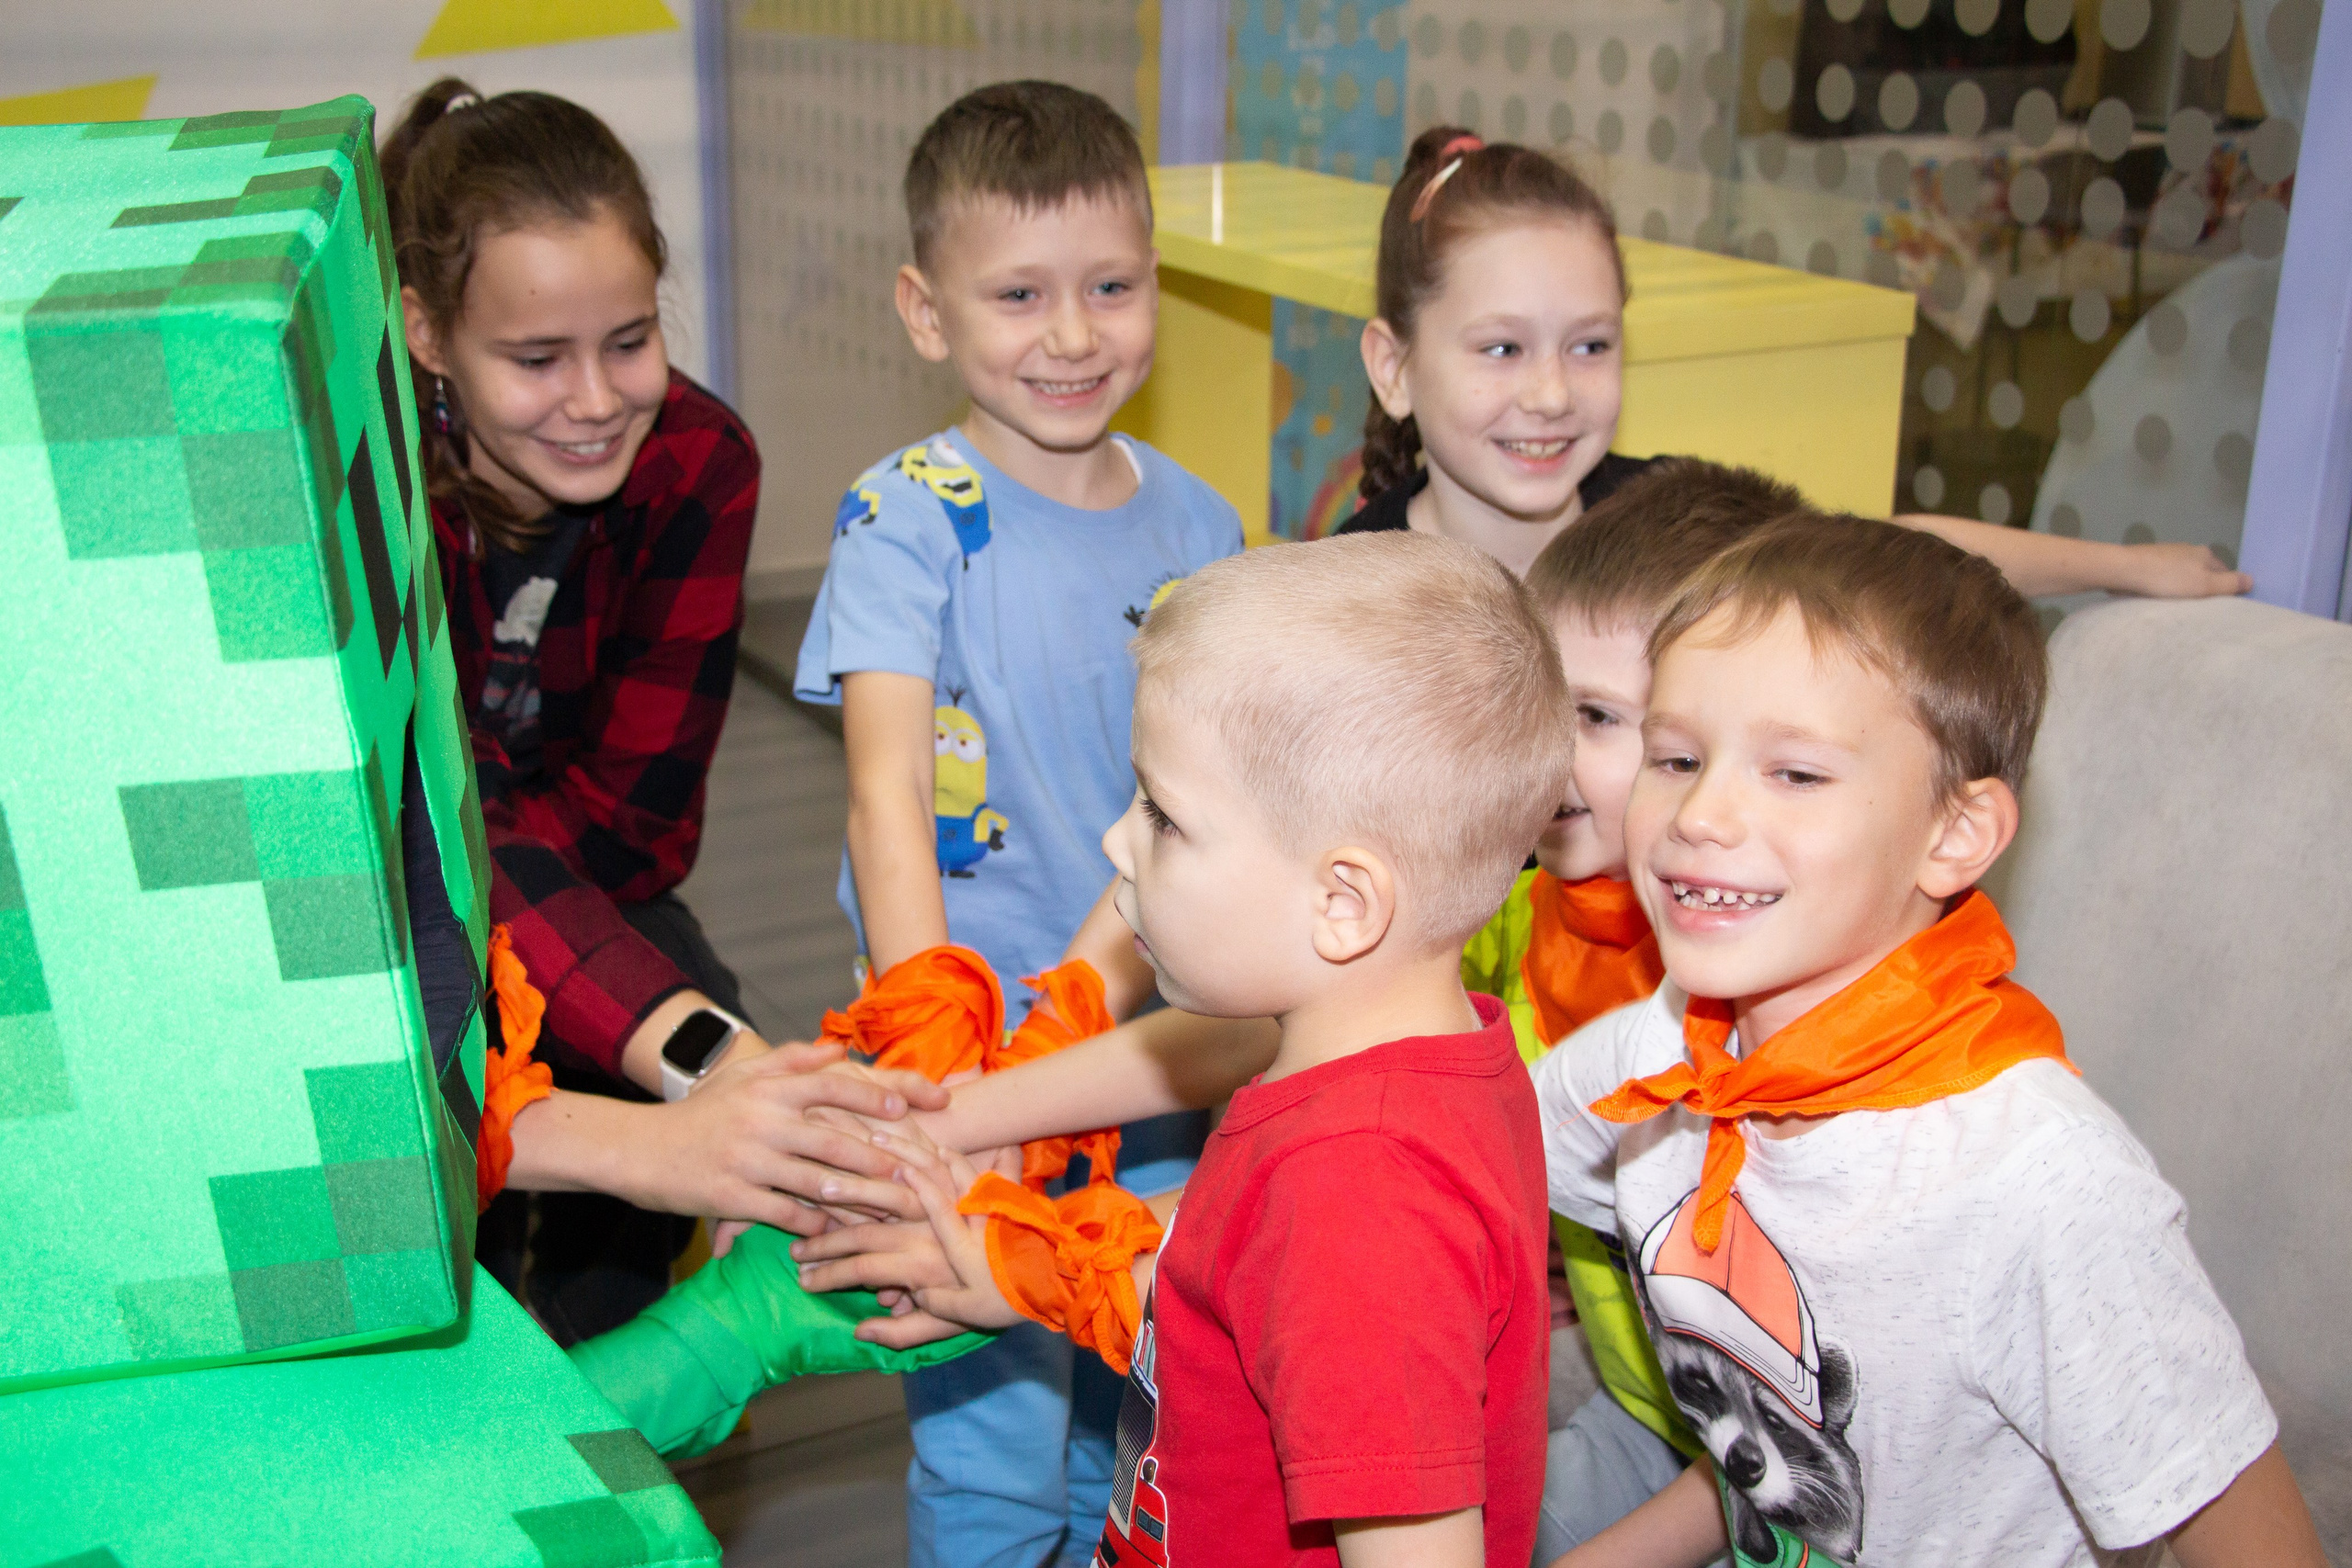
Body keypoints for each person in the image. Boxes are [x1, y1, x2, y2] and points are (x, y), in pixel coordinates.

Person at [1539, 511, 2324, 1568]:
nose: (1700, 815)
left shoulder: (2038, 1184)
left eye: (1795, 774)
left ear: (1955, 835)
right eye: (1675, 757)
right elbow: (1786, 1460)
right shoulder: (1658, 1050)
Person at [800, 534, 1570, 1564]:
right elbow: (1248, 1261)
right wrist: (1017, 1265)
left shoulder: (1362, 1196)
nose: (1115, 842)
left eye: (1163, 816)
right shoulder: (1413, 1053)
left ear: (1343, 902)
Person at [383, 78, 933, 1344]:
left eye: (629, 341)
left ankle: (618, 1391)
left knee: (678, 1031)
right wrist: (699, 1057)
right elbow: (438, 820)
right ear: (427, 335)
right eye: (535, 359)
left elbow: (636, 827)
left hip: (582, 878)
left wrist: (698, 1057)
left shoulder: (698, 462)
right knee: (476, 1097)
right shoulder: (379, 487)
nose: (594, 398)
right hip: (396, 897)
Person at [789, 81, 1243, 1568]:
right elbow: (886, 785)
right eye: (1019, 294)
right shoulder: (904, 513)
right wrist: (935, 1034)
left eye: (1111, 287)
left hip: (1148, 1052)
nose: (1072, 334)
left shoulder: (1204, 529)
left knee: (1132, 1400)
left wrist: (1088, 1003)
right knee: (989, 1438)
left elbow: (1194, 801)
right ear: (928, 313)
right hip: (963, 1078)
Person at [1339, 126, 2250, 605]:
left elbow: (1898, 555)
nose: (1550, 394)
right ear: (1394, 367)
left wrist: (2123, 568)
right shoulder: (1342, 597)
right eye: (1502, 348)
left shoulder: (1670, 521)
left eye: (1590, 345)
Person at [1458, 457, 1804, 1561]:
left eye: (1600, 717)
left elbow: (1794, 1445)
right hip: (1645, 1410)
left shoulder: (1760, 1006)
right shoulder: (1527, 909)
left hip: (1773, 1473)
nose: (1547, 752)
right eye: (1537, 704)